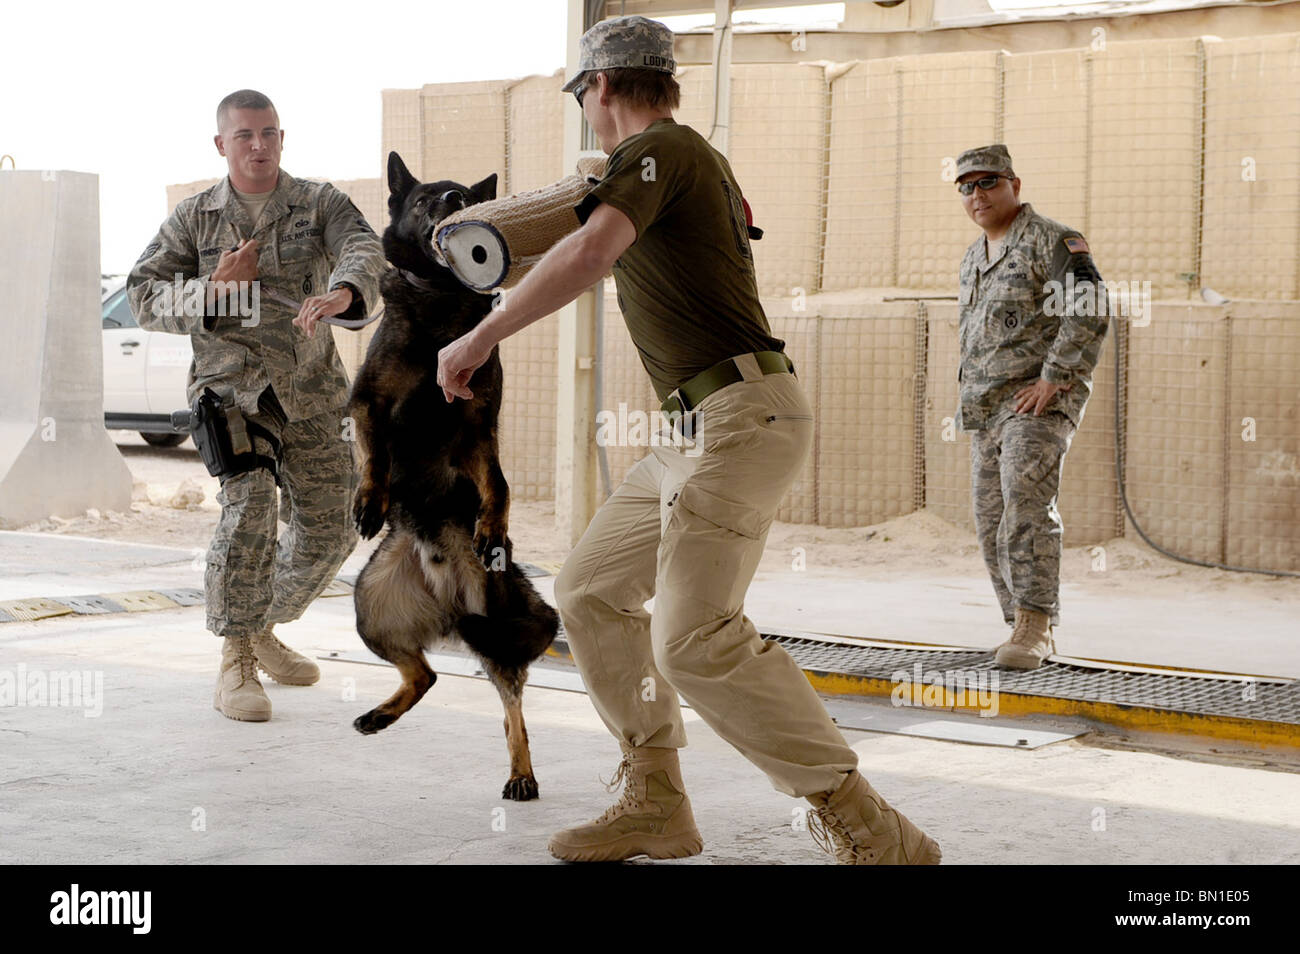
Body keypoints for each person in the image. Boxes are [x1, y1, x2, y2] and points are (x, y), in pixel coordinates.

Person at [436, 16, 940, 865]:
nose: (589, 115)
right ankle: (656, 799)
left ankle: (869, 826)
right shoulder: (656, 168)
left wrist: (482, 335)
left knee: (692, 636)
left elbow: (592, 252)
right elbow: (574, 233)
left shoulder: (665, 152)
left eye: (586, 99)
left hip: (745, 415)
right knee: (593, 588)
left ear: (599, 88)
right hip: (692, 429)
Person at [127, 89, 387, 722]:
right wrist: (213, 292)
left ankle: (261, 625)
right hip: (231, 391)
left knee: (333, 526)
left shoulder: (318, 202)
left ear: (281, 138)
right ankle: (236, 658)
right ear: (222, 144)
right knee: (249, 514)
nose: (259, 145)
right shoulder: (195, 219)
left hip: (312, 390)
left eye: (269, 133)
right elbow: (143, 294)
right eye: (244, 135)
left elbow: (363, 248)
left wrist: (344, 292)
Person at [954, 144, 1110, 670]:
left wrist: (1055, 378)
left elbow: (1089, 307)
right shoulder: (974, 256)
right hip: (986, 410)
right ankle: (1016, 623)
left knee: (1025, 509)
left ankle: (1035, 627)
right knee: (989, 518)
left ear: (1014, 185)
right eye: (967, 186)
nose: (978, 195)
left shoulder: (1051, 239)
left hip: (1035, 404)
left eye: (989, 182)